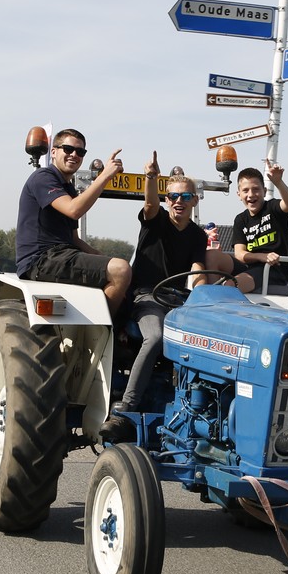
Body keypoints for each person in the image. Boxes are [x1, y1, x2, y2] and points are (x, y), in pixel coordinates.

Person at [101, 156, 215, 441]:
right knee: (156, 337)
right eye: (173, 196)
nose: (179, 201)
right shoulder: (157, 220)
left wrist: (203, 297)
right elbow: (150, 206)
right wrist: (151, 179)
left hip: (177, 300)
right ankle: (126, 407)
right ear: (167, 200)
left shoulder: (197, 235)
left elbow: (198, 269)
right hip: (146, 297)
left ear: (195, 200)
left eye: (185, 196)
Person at [15, 127, 131, 312]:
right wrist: (104, 176)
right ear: (54, 152)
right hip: (40, 260)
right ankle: (102, 328)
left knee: (123, 272)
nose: (74, 155)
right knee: (120, 270)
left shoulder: (68, 189)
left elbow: (74, 239)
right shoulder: (43, 178)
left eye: (80, 152)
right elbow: (73, 210)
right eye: (68, 149)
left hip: (63, 255)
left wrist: (103, 257)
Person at [231, 162, 288, 293]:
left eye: (256, 189)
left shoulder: (272, 208)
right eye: (245, 190)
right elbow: (239, 254)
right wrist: (261, 256)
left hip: (273, 269)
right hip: (249, 268)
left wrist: (278, 182)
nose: (251, 194)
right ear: (239, 194)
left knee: (230, 285)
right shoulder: (240, 219)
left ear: (264, 191)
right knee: (213, 258)